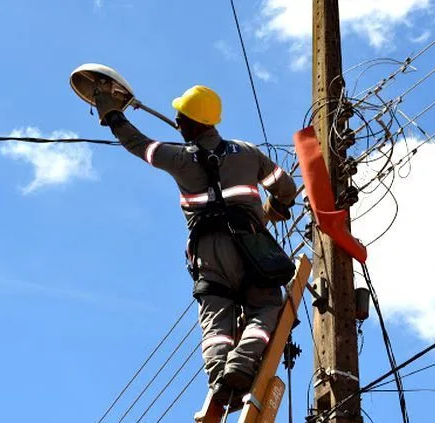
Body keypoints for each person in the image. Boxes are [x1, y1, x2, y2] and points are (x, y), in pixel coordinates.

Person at [92, 82, 297, 403]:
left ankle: (219, 376)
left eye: (182, 117)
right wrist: (275, 209)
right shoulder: (247, 152)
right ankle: (242, 364)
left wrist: (111, 113)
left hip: (207, 254)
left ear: (196, 122)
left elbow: (138, 144)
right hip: (251, 247)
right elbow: (286, 187)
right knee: (266, 305)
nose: (177, 122)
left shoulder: (179, 159)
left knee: (216, 320)